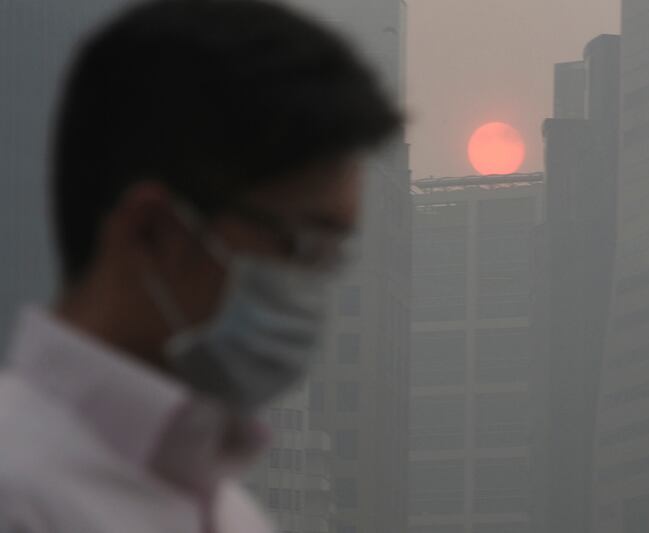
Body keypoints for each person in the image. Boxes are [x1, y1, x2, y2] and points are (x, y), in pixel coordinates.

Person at [0, 0, 401, 531]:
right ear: (154, 231)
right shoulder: (18, 494)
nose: (314, 288)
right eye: (300, 248)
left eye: (332, 256)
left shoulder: (234, 515)